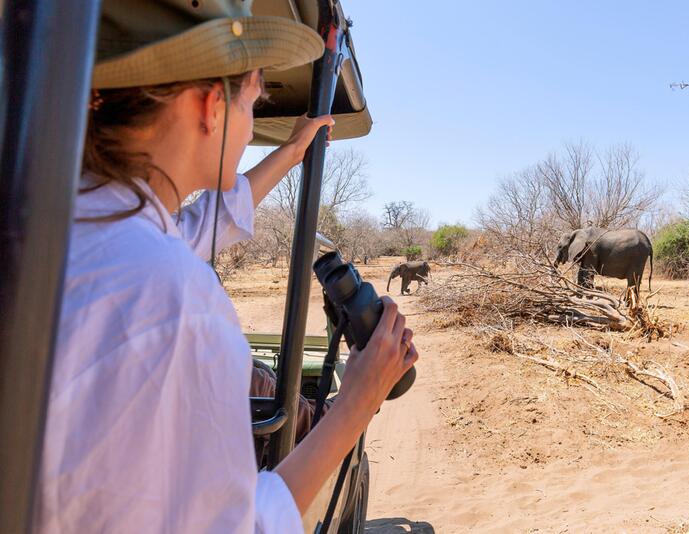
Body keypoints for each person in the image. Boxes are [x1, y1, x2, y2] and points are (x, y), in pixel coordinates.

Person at [39, 1, 417, 533]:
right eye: (253, 96)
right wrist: (358, 402)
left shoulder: (61, 227)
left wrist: (289, 152)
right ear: (212, 106)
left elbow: (196, 228)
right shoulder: (174, 300)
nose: (254, 114)